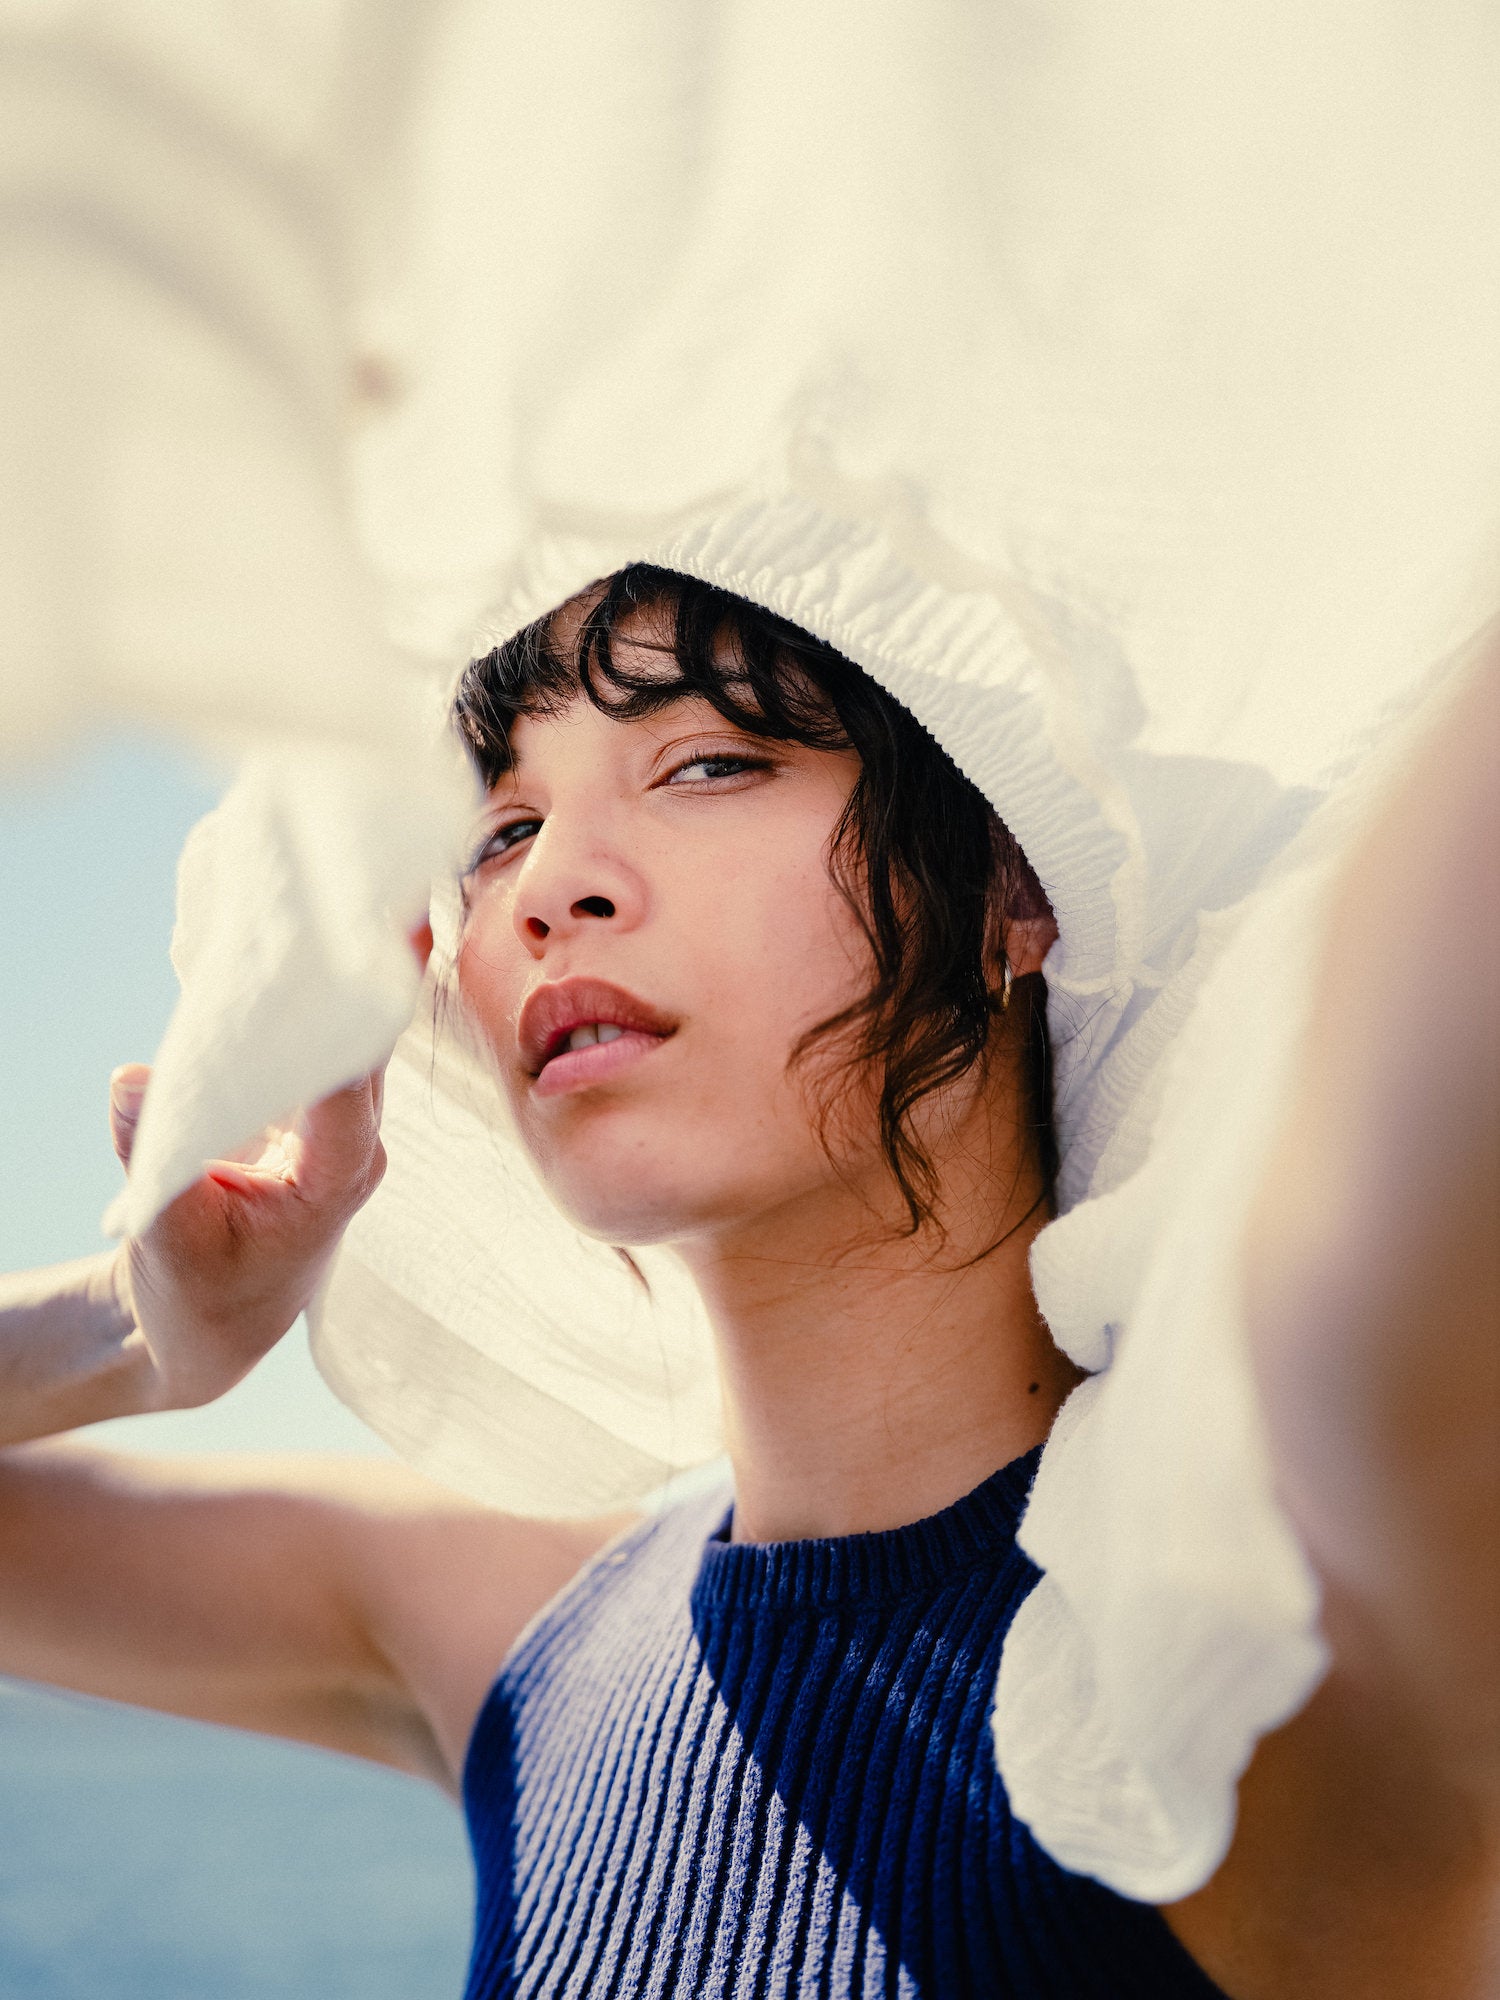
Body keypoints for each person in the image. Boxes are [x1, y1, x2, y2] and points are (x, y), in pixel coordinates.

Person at [0, 565, 1495, 1999]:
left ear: (1009, 883)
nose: (549, 886)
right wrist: (141, 1336)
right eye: (501, 828)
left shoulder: (1266, 1647)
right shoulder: (527, 1633)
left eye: (708, 764)